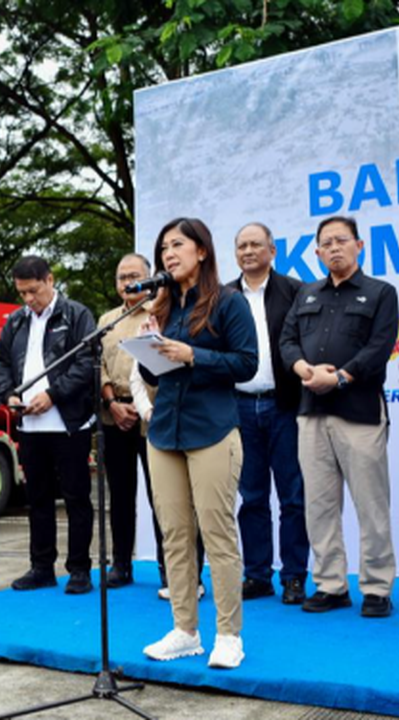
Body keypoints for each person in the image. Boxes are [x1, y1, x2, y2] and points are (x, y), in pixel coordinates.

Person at [139, 217, 257, 670]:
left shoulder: (229, 302)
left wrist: (194, 355)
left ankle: (229, 633)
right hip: (165, 429)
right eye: (163, 248)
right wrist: (150, 346)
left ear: (202, 251)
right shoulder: (164, 306)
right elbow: (155, 375)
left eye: (177, 245)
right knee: (175, 533)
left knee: (217, 532)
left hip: (212, 429)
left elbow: (246, 364)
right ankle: (184, 630)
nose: (168, 254)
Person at [279, 215, 399, 619]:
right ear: (316, 251)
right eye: (326, 243)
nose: (334, 248)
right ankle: (331, 584)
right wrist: (304, 372)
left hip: (359, 411)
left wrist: (342, 377)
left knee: (371, 504)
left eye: (341, 241)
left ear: (359, 245)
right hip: (311, 411)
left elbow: (381, 346)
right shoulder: (306, 294)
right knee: (319, 504)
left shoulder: (381, 292)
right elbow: (288, 340)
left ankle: (377, 587)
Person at [0, 256, 98, 594]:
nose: (28, 299)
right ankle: (41, 566)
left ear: (50, 280)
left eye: (33, 291)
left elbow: (85, 364)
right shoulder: (15, 322)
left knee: (76, 497)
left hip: (69, 423)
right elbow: (2, 364)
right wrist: (9, 395)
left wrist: (53, 395)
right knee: (36, 498)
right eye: (22, 293)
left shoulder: (77, 314)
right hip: (29, 425)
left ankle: (79, 568)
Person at [226, 222, 309, 605]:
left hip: (284, 404)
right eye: (241, 245)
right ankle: (257, 574)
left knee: (293, 495)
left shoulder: (295, 291)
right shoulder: (224, 296)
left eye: (255, 244)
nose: (248, 251)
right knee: (252, 496)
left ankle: (294, 576)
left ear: (272, 250)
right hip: (240, 406)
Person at [98, 254, 155, 589]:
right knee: (120, 495)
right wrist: (112, 403)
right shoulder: (106, 320)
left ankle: (169, 569)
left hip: (151, 415)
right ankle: (121, 565)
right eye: (122, 277)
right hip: (113, 414)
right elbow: (99, 365)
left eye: (135, 276)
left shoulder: (160, 314)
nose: (127, 282)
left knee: (161, 496)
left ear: (148, 278)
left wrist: (139, 404)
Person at [130, 359, 208, 601]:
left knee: (199, 508)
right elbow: (138, 375)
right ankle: (176, 579)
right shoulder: (156, 326)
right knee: (170, 510)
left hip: (201, 422)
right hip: (163, 425)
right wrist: (147, 411)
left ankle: (194, 578)